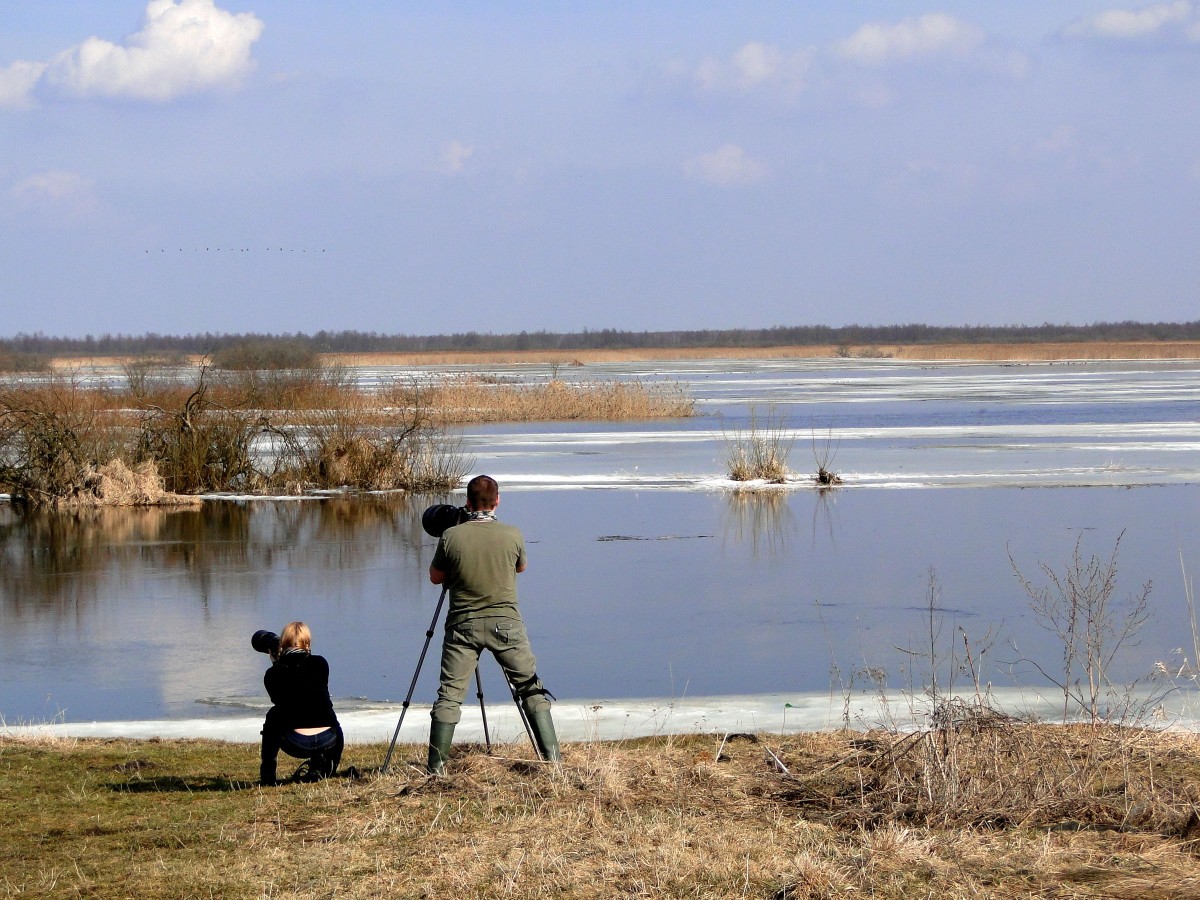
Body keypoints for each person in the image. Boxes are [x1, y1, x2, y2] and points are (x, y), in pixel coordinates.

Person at [426, 474, 560, 774]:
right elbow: (521, 567)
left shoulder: (451, 536)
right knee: (530, 687)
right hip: (507, 625)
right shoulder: (512, 534)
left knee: (449, 695)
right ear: (497, 500)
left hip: (463, 625)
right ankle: (553, 763)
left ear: (468, 502)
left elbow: (435, 577)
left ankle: (436, 770)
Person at [260, 621, 344, 786]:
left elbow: (281, 702)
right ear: (308, 643)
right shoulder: (321, 664)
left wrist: (276, 663)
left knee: (273, 715)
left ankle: (268, 774)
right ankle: (327, 766)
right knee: (322, 710)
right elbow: (311, 694)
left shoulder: (272, 674)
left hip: (296, 743)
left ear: (282, 643)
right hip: (329, 739)